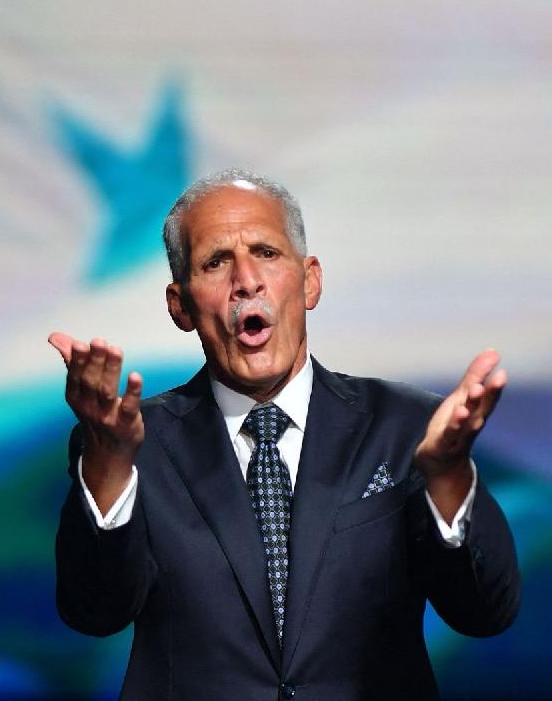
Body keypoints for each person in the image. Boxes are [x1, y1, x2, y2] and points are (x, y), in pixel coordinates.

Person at [49, 169, 519, 700]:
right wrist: (110, 462)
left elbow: (486, 612)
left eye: (266, 253)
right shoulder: (133, 445)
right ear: (180, 305)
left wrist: (448, 478)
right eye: (216, 262)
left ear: (310, 280)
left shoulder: (408, 427)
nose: (246, 281)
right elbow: (95, 613)